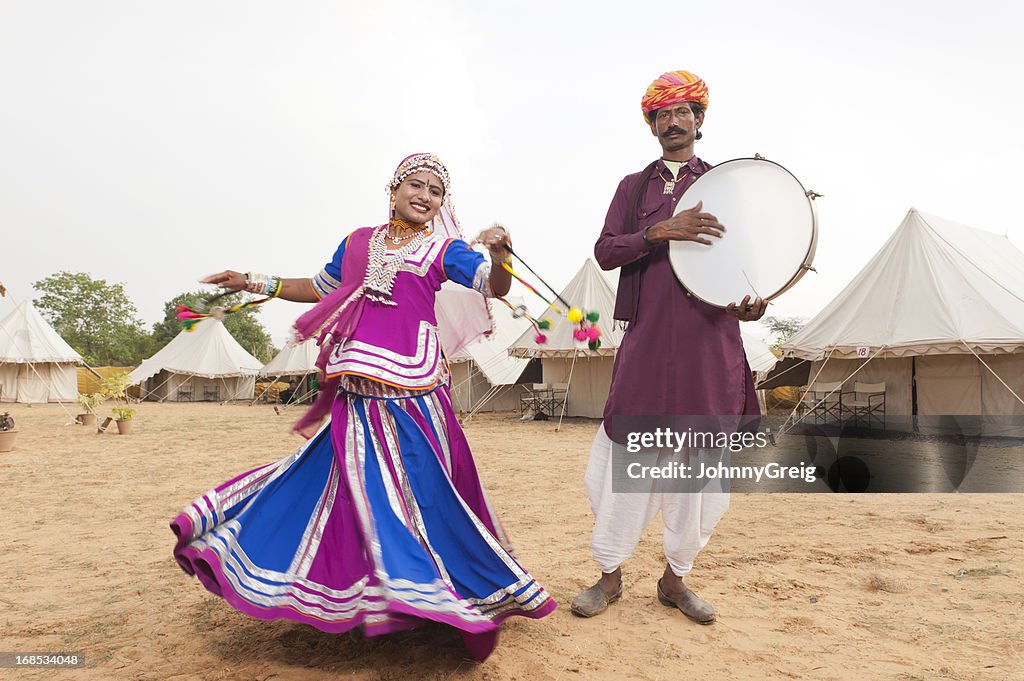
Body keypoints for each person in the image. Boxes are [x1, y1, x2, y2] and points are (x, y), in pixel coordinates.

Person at [170, 153, 556, 662]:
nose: (424, 195)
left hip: (415, 397)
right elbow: (319, 287)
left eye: (435, 191)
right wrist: (252, 280)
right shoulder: (357, 242)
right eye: (414, 185)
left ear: (442, 203)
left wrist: (501, 252)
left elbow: (494, 285)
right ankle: (373, 597)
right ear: (393, 191)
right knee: (351, 495)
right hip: (358, 394)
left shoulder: (446, 248)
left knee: (427, 499)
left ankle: (436, 594)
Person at [570, 71, 766, 623]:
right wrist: (660, 231)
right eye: (661, 114)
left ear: (700, 120)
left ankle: (676, 581)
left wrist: (755, 303)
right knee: (624, 460)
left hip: (712, 343)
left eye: (683, 111)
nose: (672, 122)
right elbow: (607, 251)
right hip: (649, 340)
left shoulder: (727, 184)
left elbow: (753, 264)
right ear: (652, 125)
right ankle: (609, 577)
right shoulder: (634, 188)